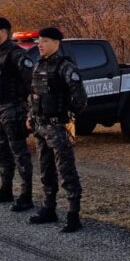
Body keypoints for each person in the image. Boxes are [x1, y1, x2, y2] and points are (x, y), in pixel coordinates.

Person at [27, 27, 88, 233]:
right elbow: (33, 95)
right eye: (39, 41)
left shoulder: (65, 67)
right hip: (40, 126)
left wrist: (65, 116)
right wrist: (30, 116)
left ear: (56, 43)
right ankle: (48, 209)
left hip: (58, 127)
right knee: (46, 170)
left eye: (45, 41)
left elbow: (80, 99)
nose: (40, 45)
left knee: (66, 171)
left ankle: (73, 215)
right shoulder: (38, 65)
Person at [0, 17, 35, 211]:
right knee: (1, 150)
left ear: (3, 31)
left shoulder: (17, 54)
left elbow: (32, 85)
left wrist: (31, 112)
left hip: (13, 108)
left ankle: (26, 195)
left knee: (19, 152)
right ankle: (6, 190)